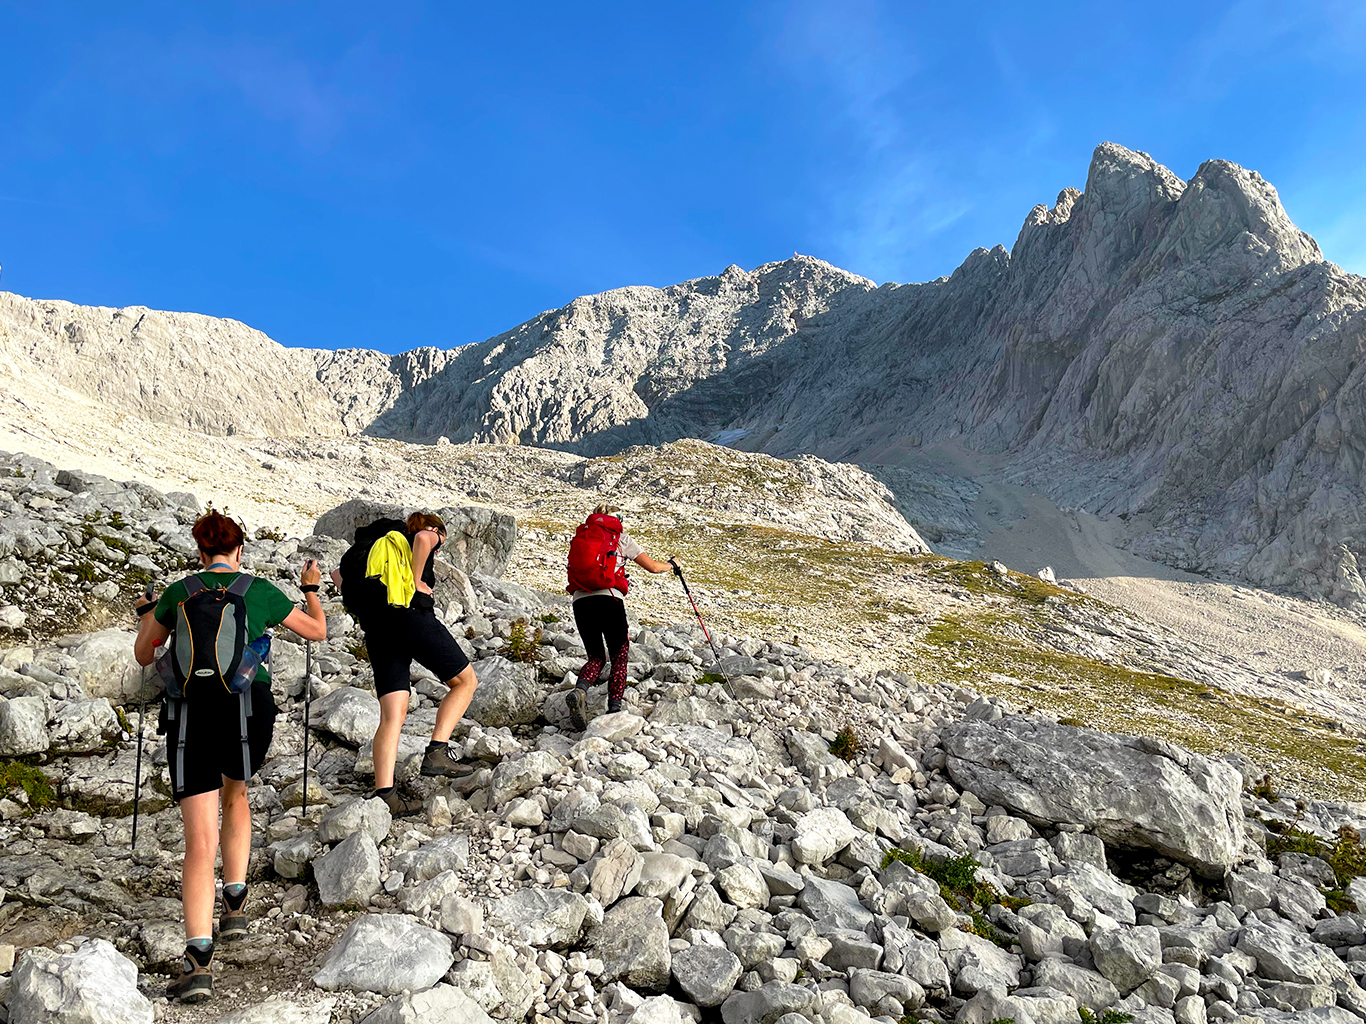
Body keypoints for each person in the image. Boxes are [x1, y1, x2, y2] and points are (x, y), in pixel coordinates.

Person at [133, 511, 326, 1005]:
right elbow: (316, 632)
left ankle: (198, 963)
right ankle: (235, 907)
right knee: (236, 793)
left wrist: (146, 613)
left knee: (199, 839)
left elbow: (142, 654)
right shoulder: (258, 590)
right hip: (247, 710)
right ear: (239, 551)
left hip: (190, 713)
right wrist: (310, 589)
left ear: (200, 553)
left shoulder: (180, 591)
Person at [331, 511, 480, 816]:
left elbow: (337, 577)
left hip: (377, 629)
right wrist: (414, 580)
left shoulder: (367, 551)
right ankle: (437, 752)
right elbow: (426, 539)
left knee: (392, 716)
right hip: (410, 617)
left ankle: (386, 793)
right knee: (465, 682)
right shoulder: (423, 535)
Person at [565, 503, 678, 729]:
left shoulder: (582, 537)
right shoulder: (620, 538)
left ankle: (580, 691)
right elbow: (653, 567)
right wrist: (672, 565)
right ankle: (614, 710)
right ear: (616, 518)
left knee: (596, 657)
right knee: (619, 655)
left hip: (580, 600)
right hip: (609, 599)